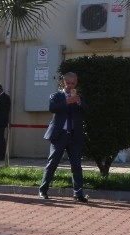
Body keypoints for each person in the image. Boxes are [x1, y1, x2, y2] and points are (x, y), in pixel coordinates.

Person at [39, 72, 88, 203]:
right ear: (63, 83)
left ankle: (78, 193)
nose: (70, 86)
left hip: (74, 135)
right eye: (68, 83)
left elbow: (86, 110)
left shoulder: (79, 96)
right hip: (59, 135)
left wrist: (78, 102)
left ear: (76, 83)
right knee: (52, 163)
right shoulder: (56, 96)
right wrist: (67, 101)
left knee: (76, 165)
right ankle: (43, 190)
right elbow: (52, 108)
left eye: (73, 83)